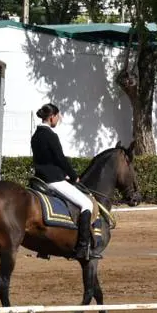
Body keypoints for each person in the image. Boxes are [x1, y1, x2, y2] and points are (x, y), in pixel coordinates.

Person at [31, 102, 94, 259]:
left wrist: (61, 174)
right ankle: (83, 247)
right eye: (58, 117)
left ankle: (43, 248)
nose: (58, 120)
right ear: (52, 117)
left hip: (40, 179)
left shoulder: (35, 135)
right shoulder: (51, 136)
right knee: (87, 204)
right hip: (53, 180)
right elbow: (60, 158)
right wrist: (73, 176)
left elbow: (46, 160)